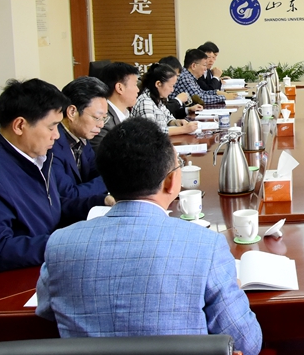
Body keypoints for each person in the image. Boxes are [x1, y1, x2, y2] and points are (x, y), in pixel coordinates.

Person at [35, 118, 262, 354]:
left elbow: (47, 311)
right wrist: (234, 291)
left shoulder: (60, 245)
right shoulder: (206, 246)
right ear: (171, 181)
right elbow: (247, 343)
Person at [0, 79, 93, 298]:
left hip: (33, 267)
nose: (57, 135)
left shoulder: (35, 156)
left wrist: (103, 203)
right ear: (19, 126)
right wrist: (65, 243)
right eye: (51, 127)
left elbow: (53, 204)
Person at [53, 77, 113, 207]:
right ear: (72, 112)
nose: (101, 125)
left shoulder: (81, 137)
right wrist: (110, 180)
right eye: (97, 118)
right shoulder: (52, 143)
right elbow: (68, 195)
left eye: (104, 118)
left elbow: (96, 172)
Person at [132, 63, 198, 135]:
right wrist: (183, 129)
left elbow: (168, 118)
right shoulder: (145, 102)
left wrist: (176, 122)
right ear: (158, 84)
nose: (172, 90)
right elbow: (152, 131)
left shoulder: (157, 99)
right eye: (170, 86)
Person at [90, 62, 140, 153]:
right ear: (120, 88)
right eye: (135, 84)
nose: (138, 90)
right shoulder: (103, 122)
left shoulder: (126, 114)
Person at [171, 49, 235, 105]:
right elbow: (201, 99)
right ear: (193, 66)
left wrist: (216, 92)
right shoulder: (185, 78)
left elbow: (201, 93)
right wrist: (225, 97)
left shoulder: (189, 76)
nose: (205, 69)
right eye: (204, 65)